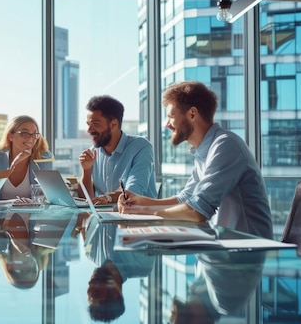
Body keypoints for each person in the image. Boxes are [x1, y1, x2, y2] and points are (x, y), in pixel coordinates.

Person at [118, 81, 272, 239]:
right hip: (221, 249)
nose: (167, 124)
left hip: (245, 253)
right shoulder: (205, 150)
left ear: (192, 114)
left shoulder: (226, 145)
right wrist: (142, 202)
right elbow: (186, 199)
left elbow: (197, 211)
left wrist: (142, 213)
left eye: (171, 116)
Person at [78, 95, 157, 206]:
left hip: (139, 218)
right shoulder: (93, 153)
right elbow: (85, 200)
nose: (89, 130)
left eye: (95, 124)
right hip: (106, 218)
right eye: (88, 124)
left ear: (114, 124)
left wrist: (107, 198)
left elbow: (132, 192)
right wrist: (86, 171)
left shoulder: (141, 147)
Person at [170, 250, 267, 324]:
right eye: (188, 309)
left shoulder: (203, 289)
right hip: (245, 228)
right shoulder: (224, 302)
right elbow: (209, 248)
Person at [0, 115, 53, 200]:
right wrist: (12, 167)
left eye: (34, 134)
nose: (31, 139)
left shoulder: (43, 158)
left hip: (33, 212)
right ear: (10, 136)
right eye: (24, 133)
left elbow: (48, 194)